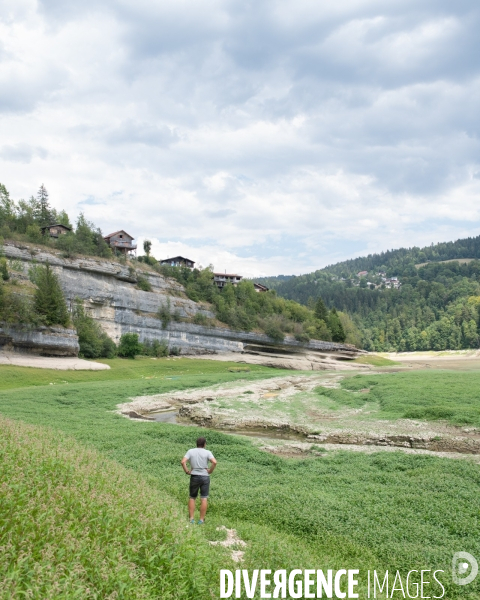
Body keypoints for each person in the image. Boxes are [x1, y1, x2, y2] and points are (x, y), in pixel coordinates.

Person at [181, 437, 217, 524]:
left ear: (196, 444)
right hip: (205, 476)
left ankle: (191, 519)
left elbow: (183, 462)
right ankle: (201, 520)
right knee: (204, 498)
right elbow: (214, 462)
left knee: (192, 497)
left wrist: (187, 471)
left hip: (194, 476)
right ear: (204, 444)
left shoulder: (190, 451)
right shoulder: (207, 452)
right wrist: (210, 471)